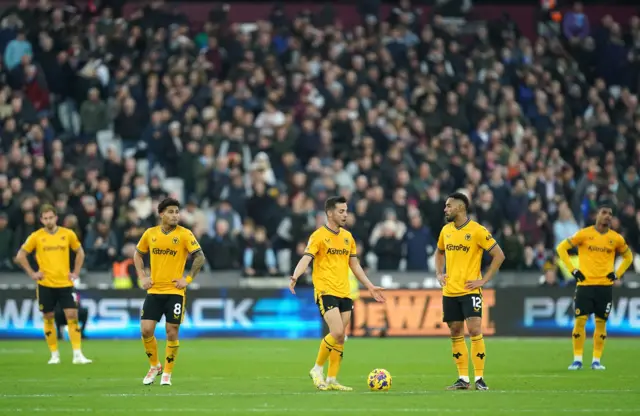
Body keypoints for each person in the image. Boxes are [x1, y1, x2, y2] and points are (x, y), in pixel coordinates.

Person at [289, 196, 385, 391]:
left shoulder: (348, 237)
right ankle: (317, 369)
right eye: (341, 211)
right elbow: (306, 258)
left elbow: (355, 265)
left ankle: (332, 379)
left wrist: (370, 286)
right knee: (338, 332)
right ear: (330, 213)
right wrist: (295, 276)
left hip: (345, 292)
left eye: (346, 211)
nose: (345, 215)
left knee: (340, 338)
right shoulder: (318, 236)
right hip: (326, 290)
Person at [435, 192, 505, 391]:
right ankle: (463, 379)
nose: (445, 209)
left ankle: (480, 378)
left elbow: (499, 255)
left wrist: (483, 279)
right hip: (450, 292)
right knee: (455, 332)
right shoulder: (445, 231)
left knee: (474, 330)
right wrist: (439, 273)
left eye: (448, 206)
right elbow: (439, 252)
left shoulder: (477, 231)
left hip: (470, 291)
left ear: (460, 208)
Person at [133, 197, 206, 386]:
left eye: (177, 212)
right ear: (161, 214)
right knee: (146, 329)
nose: (175, 215)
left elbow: (199, 257)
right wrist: (142, 277)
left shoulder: (184, 234)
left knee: (171, 331)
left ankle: (167, 372)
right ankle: (154, 365)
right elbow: (138, 255)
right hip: (154, 290)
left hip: (175, 291)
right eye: (171, 212)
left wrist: (187, 279)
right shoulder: (150, 234)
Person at [556, 203, 633, 370]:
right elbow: (561, 248)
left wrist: (617, 274)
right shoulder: (584, 234)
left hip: (605, 286)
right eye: (604, 212)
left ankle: (596, 361)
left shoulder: (616, 238)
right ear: (597, 215)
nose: (607, 216)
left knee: (601, 324)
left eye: (610, 214)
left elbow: (629, 257)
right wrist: (573, 270)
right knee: (580, 322)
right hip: (585, 285)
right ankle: (577, 360)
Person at [15, 204, 91, 365]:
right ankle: (54, 355)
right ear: (41, 220)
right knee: (48, 317)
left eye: (51, 217)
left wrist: (75, 272)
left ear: (56, 217)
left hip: (65, 283)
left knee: (72, 315)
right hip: (45, 284)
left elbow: (80, 252)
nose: (48, 221)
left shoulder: (67, 234)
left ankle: (77, 354)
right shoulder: (36, 236)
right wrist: (32, 274)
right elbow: (20, 255)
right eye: (45, 218)